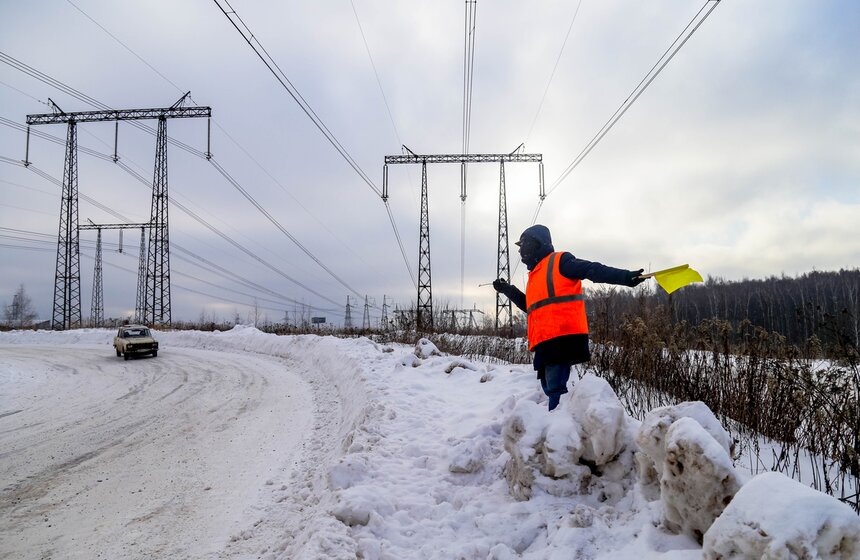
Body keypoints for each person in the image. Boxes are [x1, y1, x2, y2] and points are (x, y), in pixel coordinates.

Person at [493, 224, 645, 411]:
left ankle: (560, 431)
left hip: (561, 337)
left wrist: (625, 277)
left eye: (523, 244)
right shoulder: (535, 275)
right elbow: (530, 307)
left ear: (536, 243)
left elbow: (592, 269)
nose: (521, 250)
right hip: (544, 341)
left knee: (556, 389)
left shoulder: (560, 261)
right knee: (549, 387)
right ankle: (559, 424)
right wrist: (507, 289)